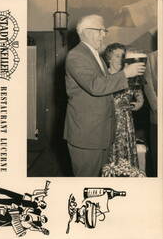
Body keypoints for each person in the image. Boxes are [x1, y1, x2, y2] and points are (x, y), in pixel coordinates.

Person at [64, 14, 146, 177]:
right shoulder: (76, 55)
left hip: (99, 133)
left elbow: (105, 84)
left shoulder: (94, 56)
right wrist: (125, 74)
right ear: (86, 32)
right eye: (100, 30)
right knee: (86, 182)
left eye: (104, 31)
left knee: (100, 180)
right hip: (87, 136)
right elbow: (95, 86)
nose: (104, 34)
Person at [101, 43, 144, 176]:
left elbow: (140, 99)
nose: (120, 59)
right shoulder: (104, 77)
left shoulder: (131, 77)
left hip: (126, 124)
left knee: (127, 162)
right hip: (108, 123)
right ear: (109, 58)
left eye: (122, 56)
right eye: (117, 56)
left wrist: (134, 106)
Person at [144, 50, 157, 177]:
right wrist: (157, 108)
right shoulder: (152, 58)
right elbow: (148, 86)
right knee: (157, 156)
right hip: (158, 118)